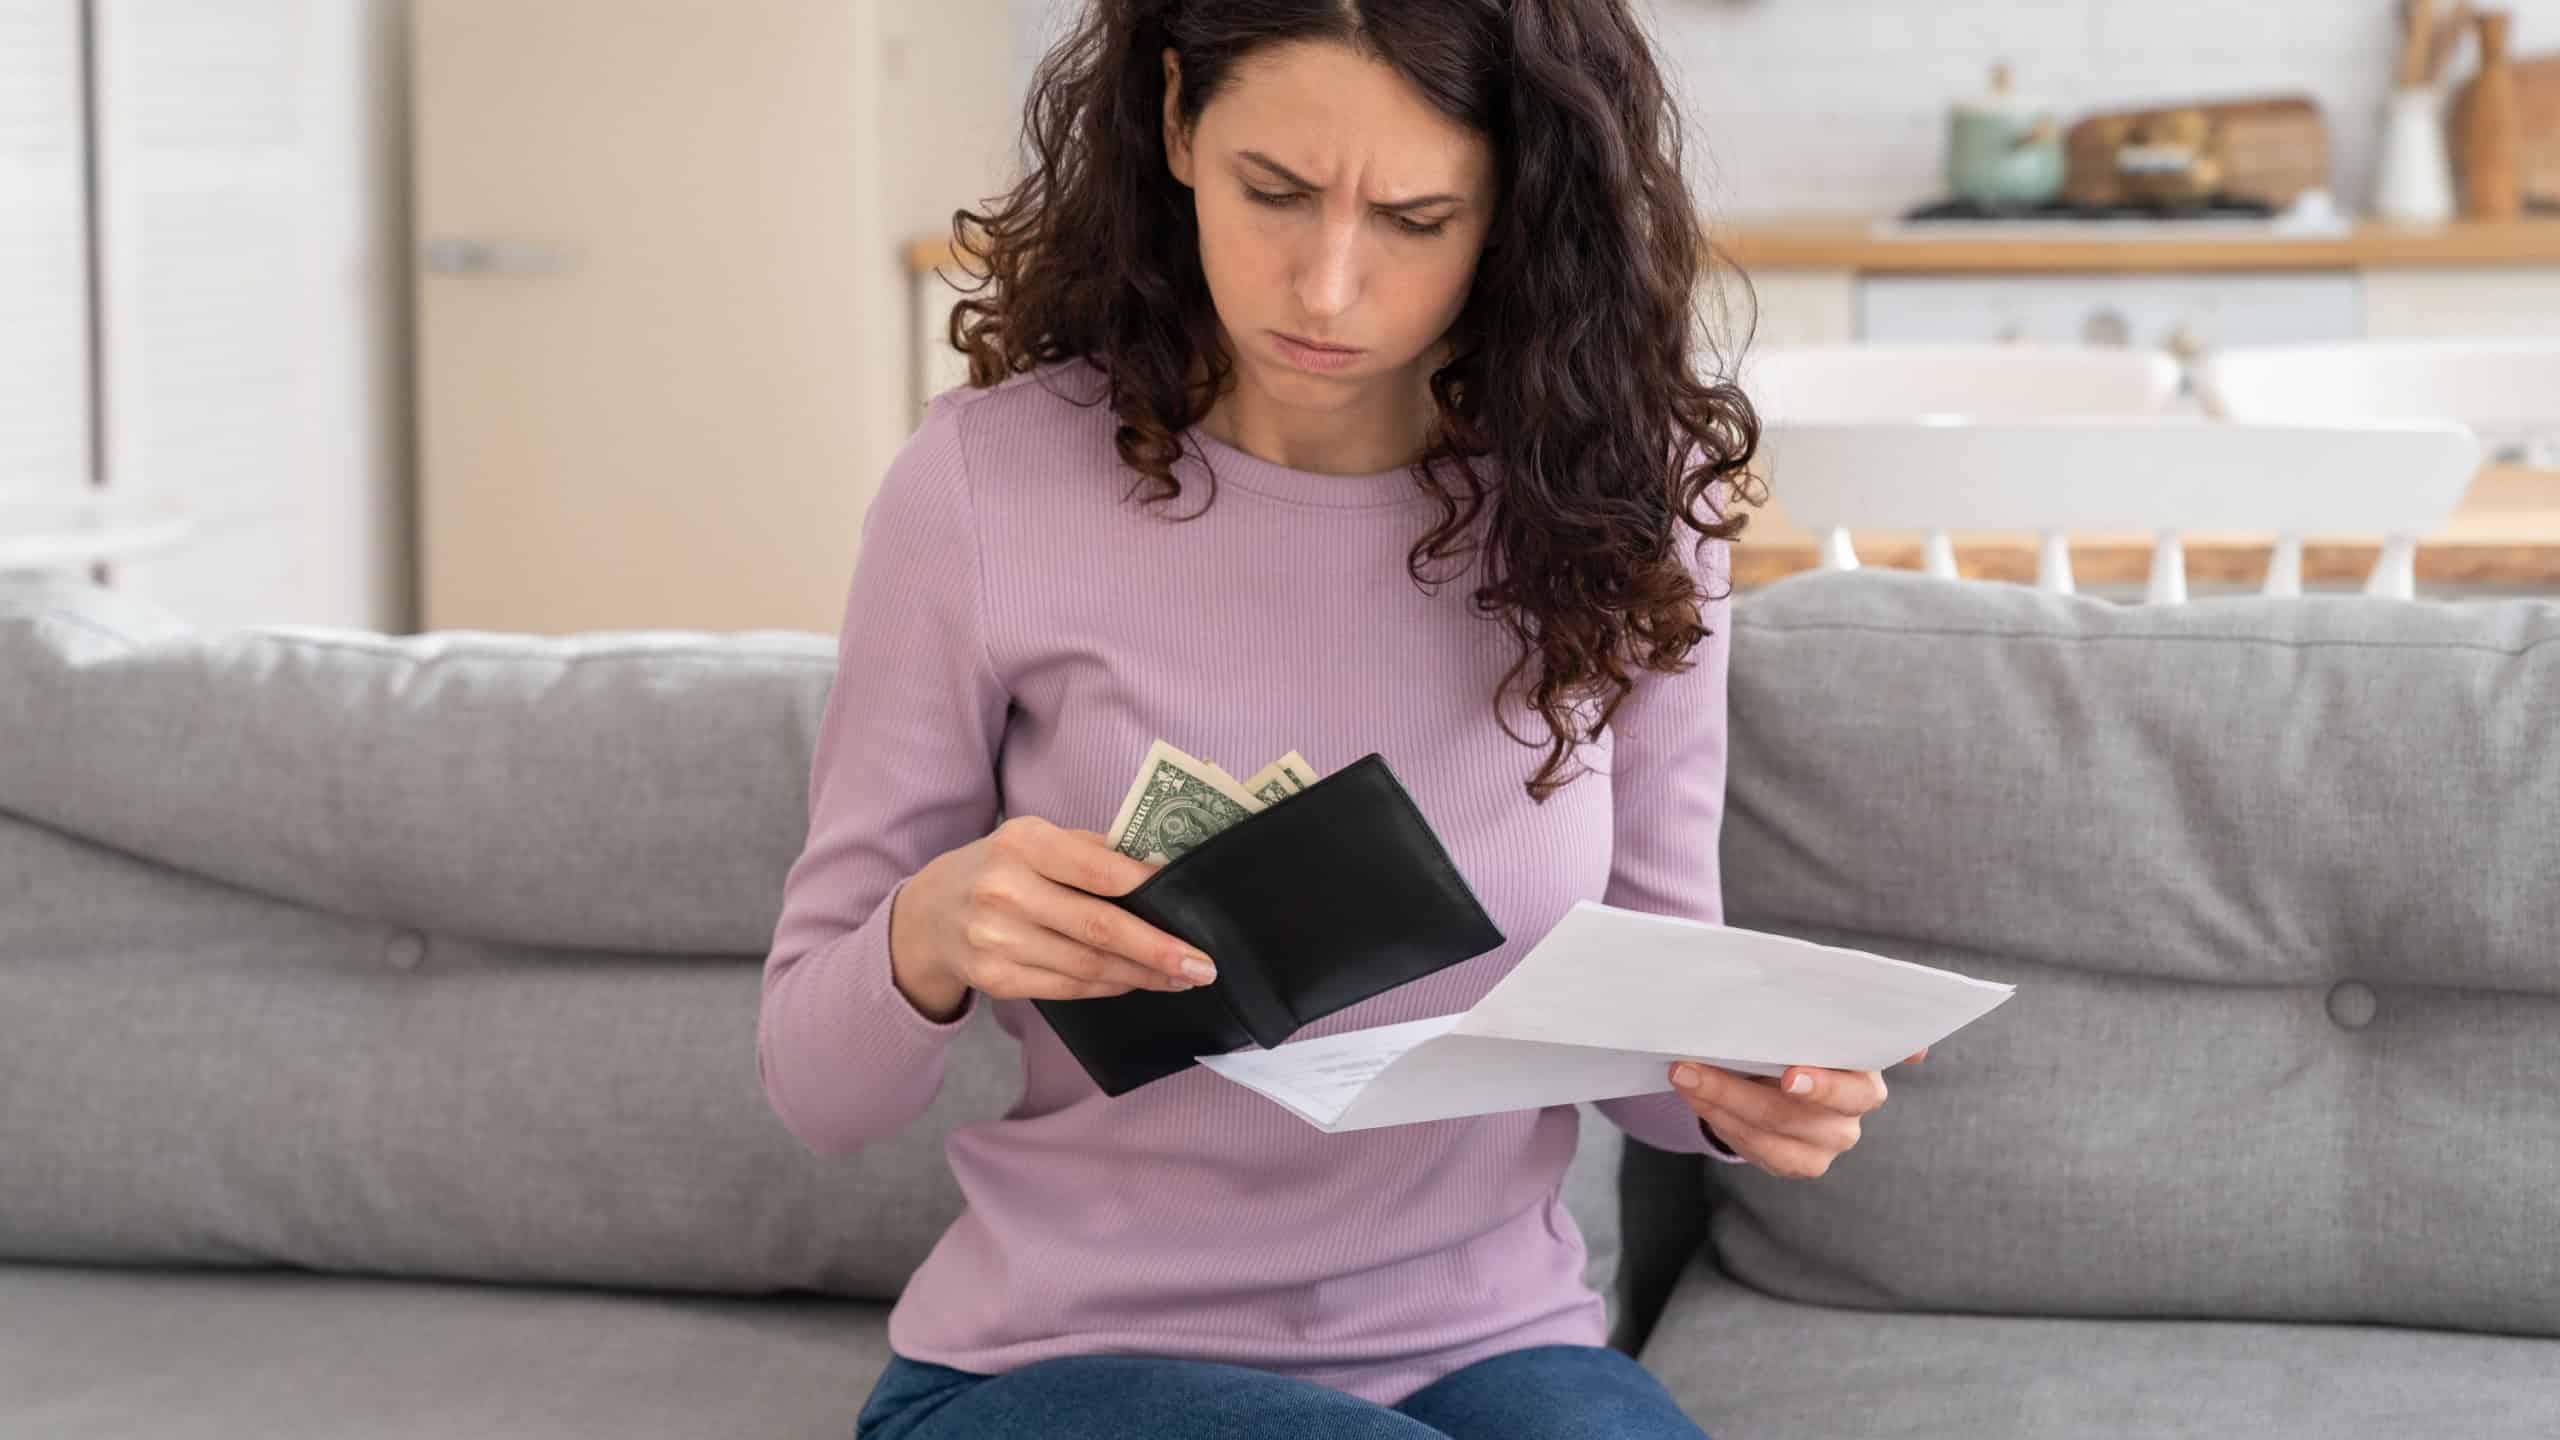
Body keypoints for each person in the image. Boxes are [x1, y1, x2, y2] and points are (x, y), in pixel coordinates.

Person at [759, 2, 1926, 1435]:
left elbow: (1652, 1043)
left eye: (1417, 218)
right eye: (1275, 193)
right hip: (1056, 1363)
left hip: (1492, 1346)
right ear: (1180, 121)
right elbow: (816, 1089)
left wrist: (1753, 1091)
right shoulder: (988, 489)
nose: (1325, 286)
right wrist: (926, 936)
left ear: (1513, 211)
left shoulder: (1625, 507)